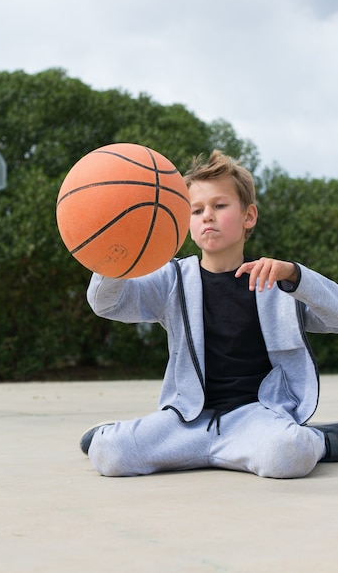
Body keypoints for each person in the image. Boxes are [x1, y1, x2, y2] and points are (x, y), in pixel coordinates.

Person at [80, 150, 338, 478]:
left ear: (249, 216)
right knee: (109, 454)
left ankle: (319, 439)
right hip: (187, 420)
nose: (207, 216)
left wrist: (296, 276)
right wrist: (116, 251)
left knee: (286, 455)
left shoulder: (276, 281)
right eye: (196, 210)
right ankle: (114, 432)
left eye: (220, 205)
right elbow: (106, 303)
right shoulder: (172, 279)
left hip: (255, 417)